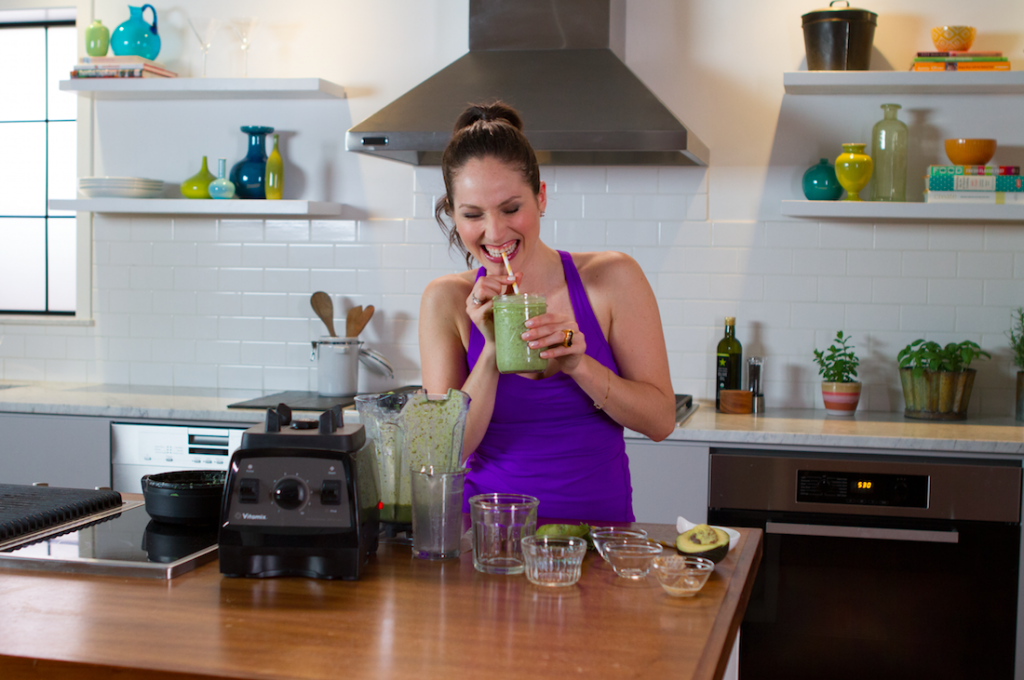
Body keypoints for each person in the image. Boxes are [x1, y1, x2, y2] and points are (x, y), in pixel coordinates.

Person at [418, 102, 675, 522]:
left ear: (540, 197)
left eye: (511, 208)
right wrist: (490, 353)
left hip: (596, 546)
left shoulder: (613, 278)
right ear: (453, 213)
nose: (495, 232)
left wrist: (579, 365)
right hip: (488, 546)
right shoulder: (444, 301)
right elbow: (443, 452)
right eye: (472, 215)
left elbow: (661, 422)